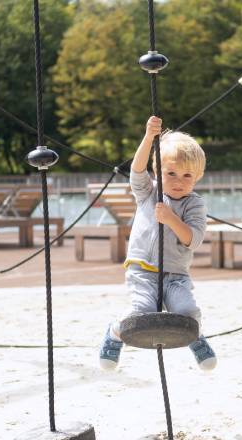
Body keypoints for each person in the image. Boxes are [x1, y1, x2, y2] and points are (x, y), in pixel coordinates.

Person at [99, 116, 217, 371]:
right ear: (158, 172)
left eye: (187, 175)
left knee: (187, 310)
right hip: (143, 271)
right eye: (170, 173)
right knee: (141, 311)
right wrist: (148, 137)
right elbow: (137, 171)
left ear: (198, 177)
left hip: (176, 275)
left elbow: (192, 239)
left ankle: (195, 336)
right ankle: (115, 332)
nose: (178, 181)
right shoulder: (149, 193)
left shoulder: (195, 204)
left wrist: (171, 218)